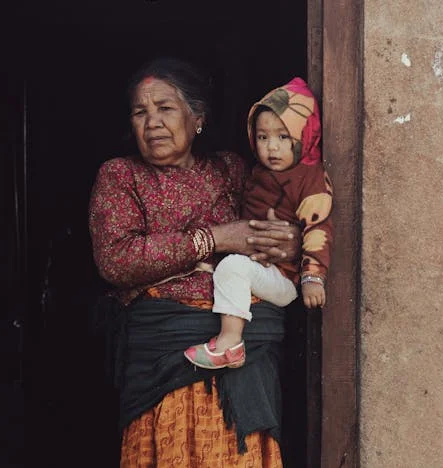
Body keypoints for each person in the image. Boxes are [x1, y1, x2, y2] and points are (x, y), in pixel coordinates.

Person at [88, 57, 301, 467]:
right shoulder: (120, 177)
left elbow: (276, 223)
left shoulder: (233, 171)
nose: (152, 122)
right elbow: (116, 260)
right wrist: (215, 238)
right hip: (165, 356)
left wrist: (291, 243)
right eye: (140, 112)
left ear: (197, 118)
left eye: (164, 108)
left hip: (244, 353)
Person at [184, 77, 333, 370]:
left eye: (283, 137)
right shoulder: (258, 173)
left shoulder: (311, 179)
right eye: (263, 137)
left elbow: (319, 229)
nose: (272, 147)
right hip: (262, 271)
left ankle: (229, 343)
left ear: (305, 136)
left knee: (232, 268)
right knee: (232, 267)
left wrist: (312, 277)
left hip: (284, 278)